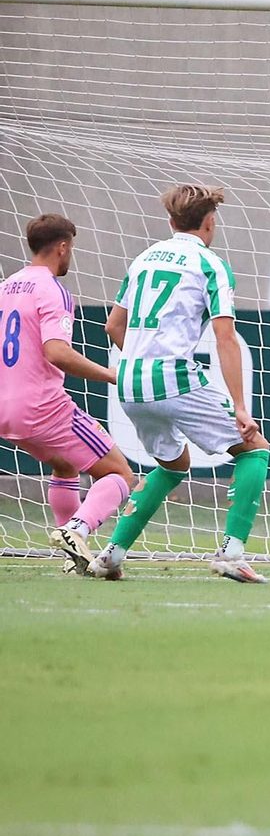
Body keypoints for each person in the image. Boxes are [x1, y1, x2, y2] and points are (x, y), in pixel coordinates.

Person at [88, 185, 270, 583]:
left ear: (171, 222)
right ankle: (231, 553)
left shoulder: (143, 259)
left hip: (131, 384)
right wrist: (241, 407)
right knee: (254, 448)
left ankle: (111, 556)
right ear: (210, 222)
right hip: (171, 376)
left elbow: (112, 326)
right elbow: (225, 337)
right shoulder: (210, 264)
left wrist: (139, 359)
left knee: (173, 465)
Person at [0, 213, 133, 571]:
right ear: (62, 247)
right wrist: (109, 375)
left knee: (65, 466)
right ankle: (77, 527)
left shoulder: (7, 285)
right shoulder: (52, 289)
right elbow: (56, 352)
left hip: (5, 410)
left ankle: (74, 554)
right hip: (42, 407)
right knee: (120, 474)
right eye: (71, 248)